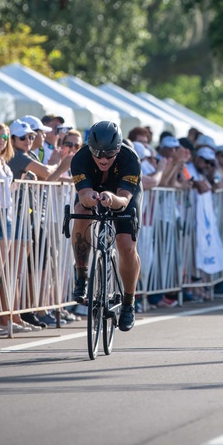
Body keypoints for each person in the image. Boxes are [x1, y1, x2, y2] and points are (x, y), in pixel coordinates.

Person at [68, 121, 141, 332]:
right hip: (94, 191)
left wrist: (111, 198)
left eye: (109, 154)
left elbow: (125, 201)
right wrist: (90, 198)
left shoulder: (130, 160)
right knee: (81, 211)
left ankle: (129, 302)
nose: (103, 159)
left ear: (118, 148)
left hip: (121, 195)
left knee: (125, 244)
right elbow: (83, 196)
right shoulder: (80, 159)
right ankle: (82, 274)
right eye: (97, 153)